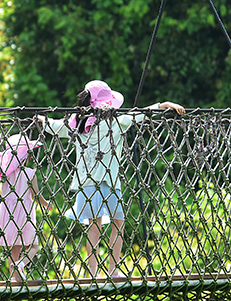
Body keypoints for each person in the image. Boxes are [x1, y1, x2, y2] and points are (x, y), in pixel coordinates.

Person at [41, 80, 185, 279]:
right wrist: (163, 105)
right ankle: (113, 270)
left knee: (94, 228)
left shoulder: (76, 124)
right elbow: (140, 114)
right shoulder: (116, 123)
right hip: (109, 182)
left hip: (87, 184)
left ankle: (93, 272)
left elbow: (55, 126)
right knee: (118, 223)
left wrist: (41, 119)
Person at [0, 134, 51, 283]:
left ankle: (15, 278)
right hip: (24, 213)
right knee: (33, 246)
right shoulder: (30, 173)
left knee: (14, 249)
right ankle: (21, 265)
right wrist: (46, 203)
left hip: (7, 213)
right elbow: (36, 196)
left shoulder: (3, 172)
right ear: (28, 158)